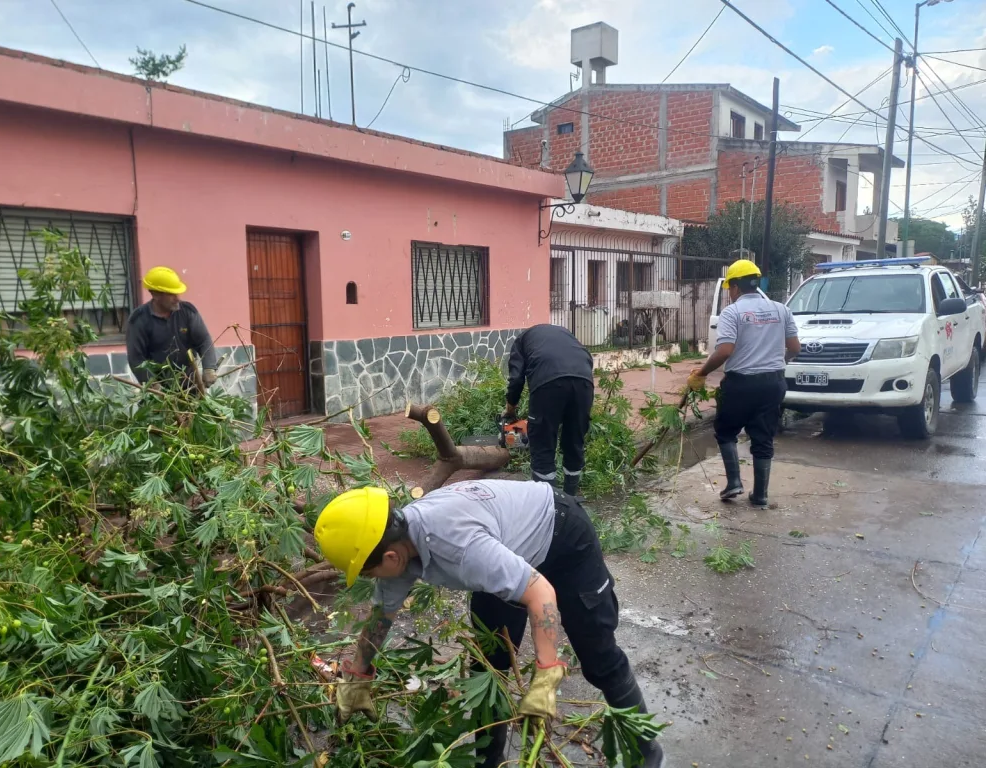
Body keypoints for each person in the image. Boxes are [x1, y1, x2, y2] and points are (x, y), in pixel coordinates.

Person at [315, 480, 665, 768]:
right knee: (490, 666)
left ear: (390, 556)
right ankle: (489, 761)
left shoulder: (461, 547)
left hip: (563, 538)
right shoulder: (397, 543)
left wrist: (546, 677)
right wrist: (357, 678)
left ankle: (647, 752)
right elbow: (381, 616)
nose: (373, 579)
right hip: (507, 550)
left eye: (368, 571)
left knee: (599, 658)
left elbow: (540, 592)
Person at [688, 259, 800, 507]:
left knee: (726, 431)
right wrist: (775, 362)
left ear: (735, 287)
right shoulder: (782, 310)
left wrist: (702, 373)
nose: (730, 293)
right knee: (763, 438)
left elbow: (725, 350)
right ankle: (760, 496)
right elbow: (794, 348)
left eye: (730, 288)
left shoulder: (732, 312)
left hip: (740, 385)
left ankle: (734, 482)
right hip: (773, 383)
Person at [504, 324, 594, 496]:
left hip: (548, 384)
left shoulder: (520, 342)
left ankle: (549, 504)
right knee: (574, 442)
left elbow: (516, 381)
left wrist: (510, 409)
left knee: (543, 445)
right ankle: (570, 500)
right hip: (584, 382)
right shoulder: (566, 334)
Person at [126, 266, 218, 388]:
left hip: (190, 385)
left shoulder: (188, 311)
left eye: (177, 293)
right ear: (155, 295)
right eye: (171, 295)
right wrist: (152, 384)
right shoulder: (138, 319)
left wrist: (209, 368)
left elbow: (203, 341)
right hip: (159, 391)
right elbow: (136, 359)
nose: (177, 298)